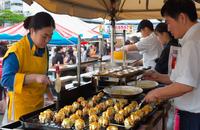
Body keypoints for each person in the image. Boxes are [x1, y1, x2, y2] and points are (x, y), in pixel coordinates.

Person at [144, 0, 200, 130]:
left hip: (193, 116)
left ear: (182, 18)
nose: (168, 28)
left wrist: (156, 93)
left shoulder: (192, 43)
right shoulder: (193, 39)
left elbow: (185, 85)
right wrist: (157, 77)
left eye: (168, 22)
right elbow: (183, 77)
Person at [1, 12, 55, 121]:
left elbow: (43, 80)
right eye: (44, 36)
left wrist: (52, 100)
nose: (48, 40)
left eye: (50, 36)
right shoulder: (16, 51)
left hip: (39, 109)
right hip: (20, 111)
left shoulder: (45, 50)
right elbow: (5, 80)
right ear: (32, 31)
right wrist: (34, 77)